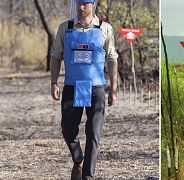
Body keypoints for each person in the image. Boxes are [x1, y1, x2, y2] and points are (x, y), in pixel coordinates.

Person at [50, 0, 118, 179]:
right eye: (79, 4)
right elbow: (56, 55)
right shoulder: (66, 28)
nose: (81, 8)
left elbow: (112, 59)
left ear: (92, 5)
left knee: (93, 132)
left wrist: (113, 89)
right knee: (67, 129)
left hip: (96, 88)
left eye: (85, 4)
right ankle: (78, 158)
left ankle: (88, 175)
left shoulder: (104, 28)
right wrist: (54, 83)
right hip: (72, 86)